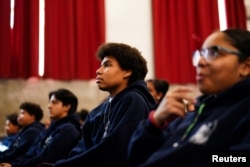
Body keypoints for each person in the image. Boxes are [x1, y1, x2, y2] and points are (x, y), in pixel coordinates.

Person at [128, 28, 250, 166]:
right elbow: (136, 157)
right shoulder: (196, 109)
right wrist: (154, 124)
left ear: (245, 66)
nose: (200, 62)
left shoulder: (243, 110)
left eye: (213, 53)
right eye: (200, 54)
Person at [53, 42, 156, 167]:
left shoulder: (133, 100)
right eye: (100, 65)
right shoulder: (98, 111)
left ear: (127, 72)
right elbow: (82, 148)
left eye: (107, 65)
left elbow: (115, 151)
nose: (98, 71)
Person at [0, 88, 82, 167]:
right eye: (50, 102)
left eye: (54, 102)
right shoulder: (53, 127)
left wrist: (15, 165)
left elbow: (45, 158)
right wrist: (14, 164)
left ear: (67, 107)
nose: (49, 106)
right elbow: (32, 153)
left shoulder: (68, 130)